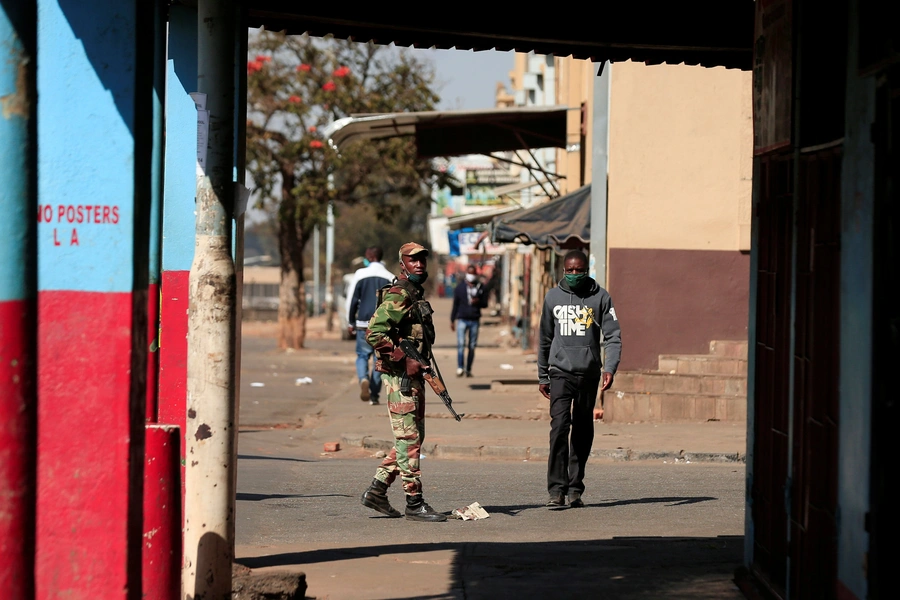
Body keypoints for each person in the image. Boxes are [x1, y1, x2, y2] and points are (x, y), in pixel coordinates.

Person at [360, 242, 447, 522]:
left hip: (412, 376)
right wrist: (401, 356)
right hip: (400, 378)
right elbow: (373, 333)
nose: (419, 264)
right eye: (413, 260)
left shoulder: (414, 294)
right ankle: (414, 502)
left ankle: (378, 489)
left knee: (412, 438)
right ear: (402, 265)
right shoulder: (399, 295)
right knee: (409, 440)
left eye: (422, 260)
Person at [537, 249, 622, 508]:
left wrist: (610, 367)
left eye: (579, 270)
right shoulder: (552, 297)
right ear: (563, 270)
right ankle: (556, 489)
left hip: (588, 373)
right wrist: (542, 374)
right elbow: (544, 338)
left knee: (583, 429)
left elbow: (613, 336)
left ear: (587, 270)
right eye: (570, 270)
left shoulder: (601, 297)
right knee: (560, 427)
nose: (574, 275)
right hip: (560, 372)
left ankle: (575, 488)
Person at [345, 247, 394, 405]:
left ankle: (363, 379)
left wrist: (350, 321)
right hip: (383, 326)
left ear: (368, 257)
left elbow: (352, 300)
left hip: (362, 325)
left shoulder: (360, 275)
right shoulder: (390, 277)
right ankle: (374, 395)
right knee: (380, 360)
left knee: (362, 356)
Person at [450, 263, 487, 377]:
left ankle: (468, 369)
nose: (471, 275)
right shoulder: (460, 288)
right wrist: (452, 320)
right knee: (461, 344)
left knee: (472, 346)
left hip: (474, 320)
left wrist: (478, 302)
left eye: (473, 273)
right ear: (467, 273)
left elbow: (485, 304)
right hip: (462, 319)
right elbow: (455, 304)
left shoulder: (480, 287)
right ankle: (460, 367)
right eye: (470, 273)